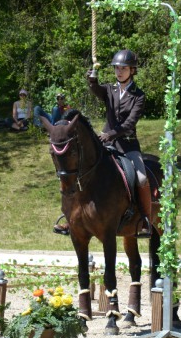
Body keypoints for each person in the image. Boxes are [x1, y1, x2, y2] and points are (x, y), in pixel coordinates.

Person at [54, 49, 151, 238]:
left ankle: (144, 219)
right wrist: (92, 80)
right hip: (106, 144)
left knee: (141, 179)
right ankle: (70, 217)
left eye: (123, 68)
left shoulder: (138, 95)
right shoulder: (110, 89)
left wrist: (111, 135)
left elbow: (130, 123)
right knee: (80, 171)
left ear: (132, 70)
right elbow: (97, 90)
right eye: (116, 68)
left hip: (128, 145)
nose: (119, 71)